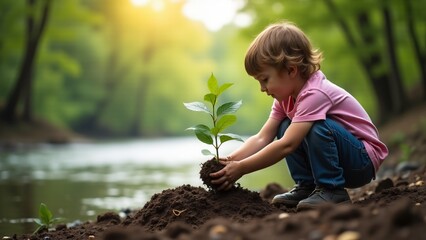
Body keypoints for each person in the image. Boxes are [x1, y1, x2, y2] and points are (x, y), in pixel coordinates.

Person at [210, 21, 388, 211]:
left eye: (265, 79)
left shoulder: (315, 93)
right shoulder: (285, 98)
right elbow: (263, 137)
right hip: (344, 158)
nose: (262, 88)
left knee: (316, 126)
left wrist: (242, 168)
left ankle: (332, 189)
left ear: (291, 70)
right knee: (285, 125)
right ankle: (307, 186)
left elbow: (288, 144)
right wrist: (230, 161)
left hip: (361, 162)